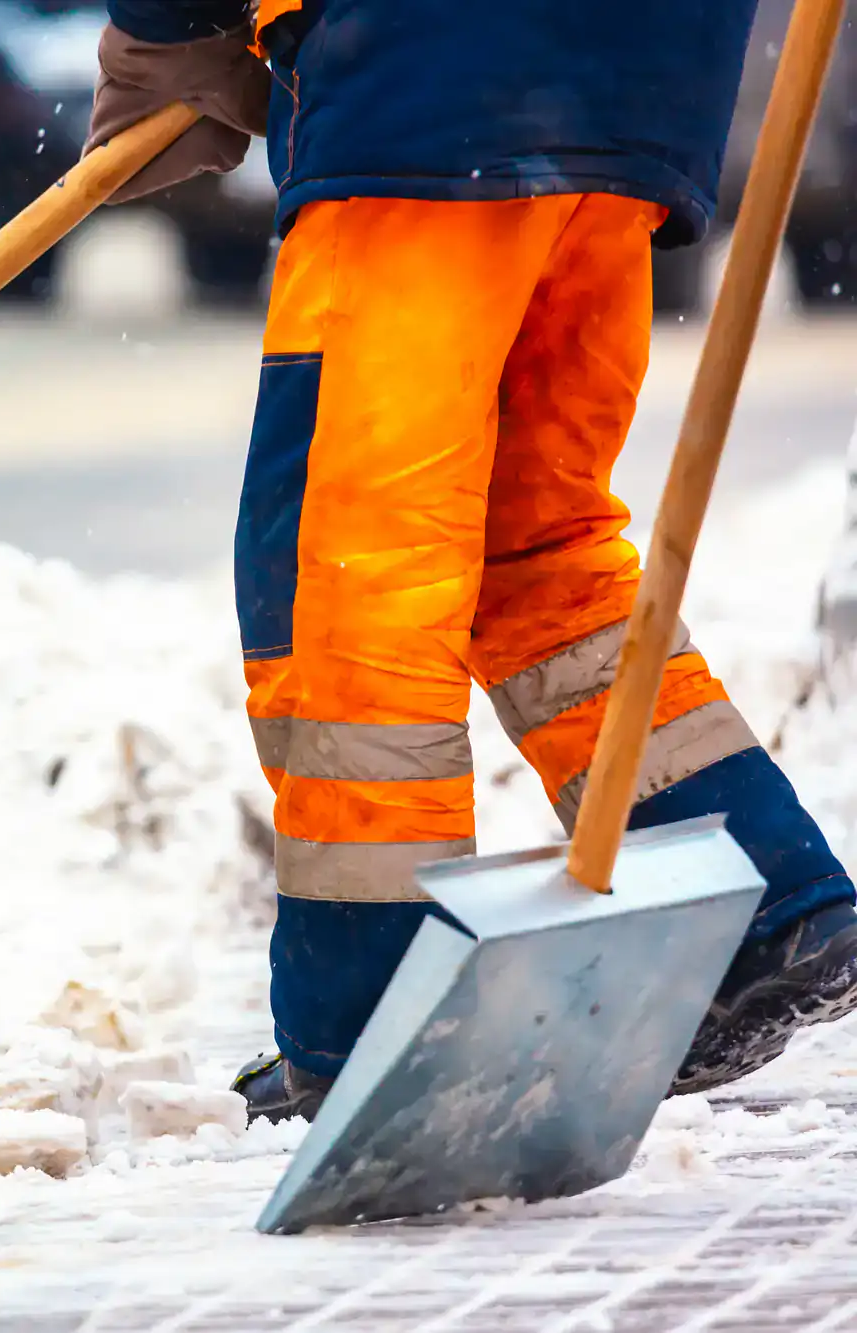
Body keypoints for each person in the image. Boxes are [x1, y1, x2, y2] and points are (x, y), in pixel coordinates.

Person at [81, 0, 857, 1122]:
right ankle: (757, 889)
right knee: (529, 539)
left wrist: (169, 25)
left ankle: (364, 1023)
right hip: (637, 89)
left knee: (349, 566)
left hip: (429, 82)